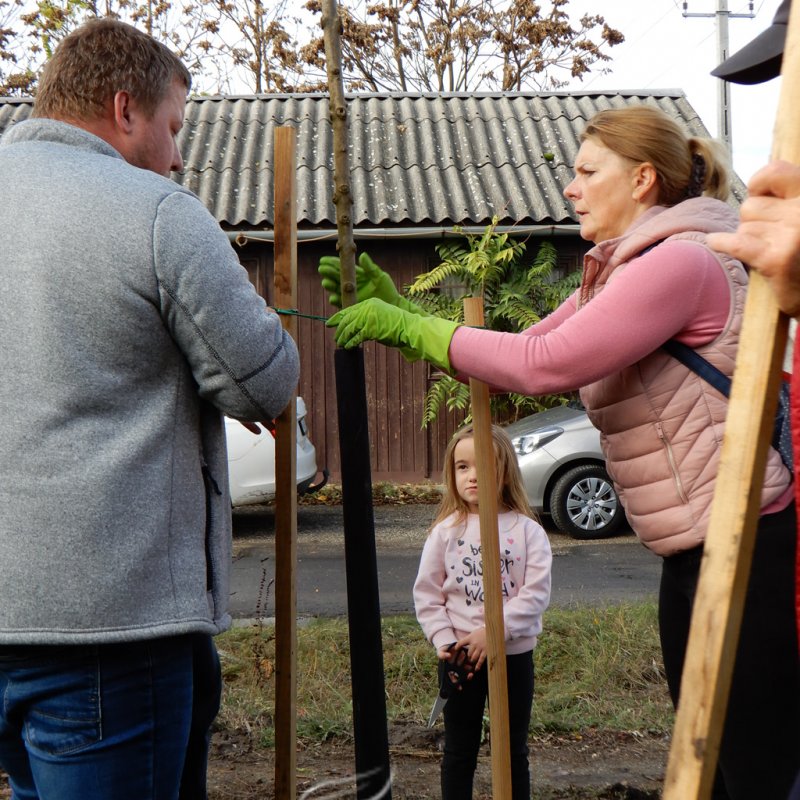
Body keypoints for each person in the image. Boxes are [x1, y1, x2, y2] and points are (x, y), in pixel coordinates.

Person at [321, 103, 800, 798]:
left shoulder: (685, 263)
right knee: (711, 764)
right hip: (692, 551)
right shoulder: (624, 268)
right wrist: (411, 320)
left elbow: (548, 362)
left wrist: (409, 328)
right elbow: (517, 353)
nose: (570, 188)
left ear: (641, 179)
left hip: (751, 547)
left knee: (758, 771)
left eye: (585, 171)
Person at [0, 17, 299, 800]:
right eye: (172, 127)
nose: (177, 154)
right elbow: (263, 381)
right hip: (109, 628)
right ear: (124, 108)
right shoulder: (156, 212)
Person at [413, 424, 552, 800]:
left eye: (484, 465)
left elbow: (535, 595)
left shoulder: (528, 532)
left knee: (511, 750)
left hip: (511, 657)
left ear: (506, 470)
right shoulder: (444, 532)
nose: (472, 475)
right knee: (459, 750)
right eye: (462, 466)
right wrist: (444, 640)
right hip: (461, 658)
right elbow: (427, 595)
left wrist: (494, 632)